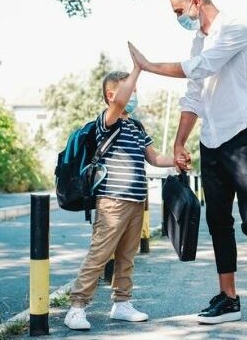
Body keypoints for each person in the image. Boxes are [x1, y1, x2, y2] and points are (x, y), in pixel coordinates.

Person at [128, 0, 247, 328]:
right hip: (211, 139)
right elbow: (194, 95)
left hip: (242, 134)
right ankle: (228, 299)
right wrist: (180, 142)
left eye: (179, 11)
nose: (178, 18)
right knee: (217, 221)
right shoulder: (198, 41)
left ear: (196, 2)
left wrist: (149, 66)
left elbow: (203, 68)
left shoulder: (235, 28)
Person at [64, 44, 175, 331]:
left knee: (127, 256)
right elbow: (118, 104)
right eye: (129, 89)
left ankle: (122, 303)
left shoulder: (137, 127)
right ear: (112, 95)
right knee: (99, 255)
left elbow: (154, 158)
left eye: (135, 90)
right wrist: (138, 67)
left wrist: (177, 159)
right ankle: (77, 307)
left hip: (137, 201)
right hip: (112, 202)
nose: (134, 95)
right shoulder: (108, 122)